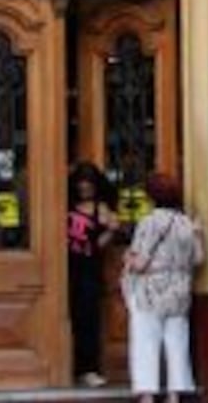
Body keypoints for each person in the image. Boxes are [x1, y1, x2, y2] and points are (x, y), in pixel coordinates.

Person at [123, 173, 204, 403]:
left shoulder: (149, 222)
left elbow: (140, 263)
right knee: (177, 342)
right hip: (179, 291)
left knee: (146, 341)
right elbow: (198, 258)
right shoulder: (185, 222)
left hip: (151, 291)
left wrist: (127, 257)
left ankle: (147, 394)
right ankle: (174, 394)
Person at [67, 161, 119, 387]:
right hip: (63, 269)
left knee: (88, 320)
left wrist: (111, 230)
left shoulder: (102, 208)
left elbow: (99, 245)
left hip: (88, 270)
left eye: (88, 183)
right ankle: (66, 367)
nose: (84, 187)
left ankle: (88, 369)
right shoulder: (65, 205)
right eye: (80, 183)